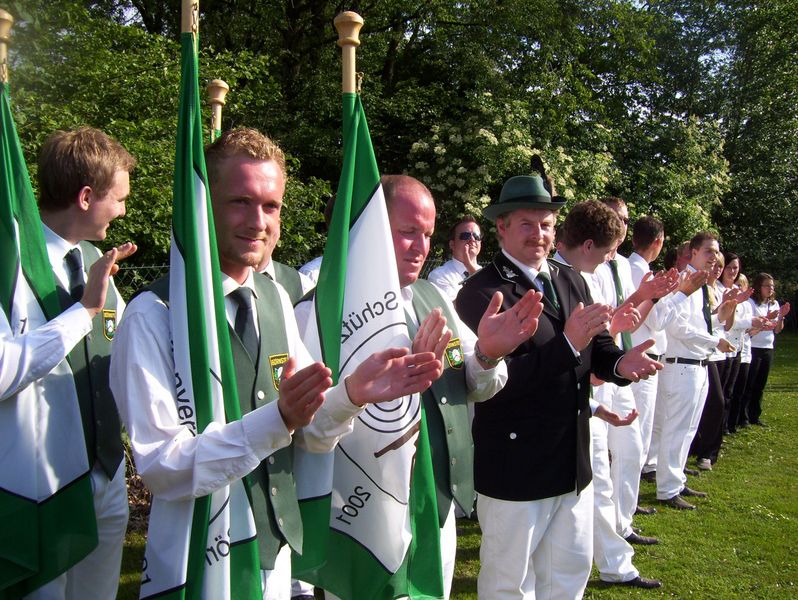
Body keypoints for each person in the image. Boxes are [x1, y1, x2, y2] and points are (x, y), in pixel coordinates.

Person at [109, 129, 443, 600]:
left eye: (271, 206)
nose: (258, 221)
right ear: (205, 204)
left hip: (275, 555)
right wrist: (279, 418)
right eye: (240, 202)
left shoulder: (274, 299)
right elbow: (164, 468)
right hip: (201, 560)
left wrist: (352, 395)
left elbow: (310, 432)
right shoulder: (155, 314)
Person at [296, 174, 543, 599]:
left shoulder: (433, 298)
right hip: (360, 510)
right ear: (369, 230)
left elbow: (477, 384)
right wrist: (360, 392)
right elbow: (305, 427)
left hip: (434, 502)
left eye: (427, 234)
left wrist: (488, 354)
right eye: (408, 231)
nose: (421, 247)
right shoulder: (320, 311)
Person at [455, 174, 663, 599]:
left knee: (568, 575)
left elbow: (597, 345)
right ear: (501, 227)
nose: (539, 234)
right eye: (527, 224)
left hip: (571, 461)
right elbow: (494, 383)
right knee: (509, 585)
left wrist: (620, 363)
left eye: (547, 224)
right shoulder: (481, 292)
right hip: (516, 465)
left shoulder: (570, 279)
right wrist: (567, 344)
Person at [24, 126, 137, 600]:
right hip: (42, 483)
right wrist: (84, 309)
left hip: (106, 473)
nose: (124, 211)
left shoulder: (98, 261)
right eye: (119, 199)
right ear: (87, 197)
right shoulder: (15, 265)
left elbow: (124, 348)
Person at [552, 200, 662, 589]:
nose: (608, 258)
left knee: (601, 480)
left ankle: (614, 559)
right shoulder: (557, 278)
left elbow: (600, 341)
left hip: (589, 396)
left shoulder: (583, 275)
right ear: (586, 245)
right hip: (567, 404)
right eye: (605, 251)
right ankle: (614, 564)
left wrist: (617, 363)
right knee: (593, 484)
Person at [656, 232, 737, 510]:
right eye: (708, 251)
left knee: (689, 429)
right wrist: (715, 341)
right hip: (681, 365)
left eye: (716, 252)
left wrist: (719, 316)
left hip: (698, 364)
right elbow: (678, 328)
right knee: (676, 430)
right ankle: (667, 488)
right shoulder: (684, 282)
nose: (714, 257)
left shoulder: (702, 285)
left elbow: (699, 323)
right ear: (693, 252)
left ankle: (676, 480)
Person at [739, 273, 790, 427]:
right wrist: (766, 319)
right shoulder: (751, 303)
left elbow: (778, 330)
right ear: (759, 287)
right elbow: (749, 330)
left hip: (767, 348)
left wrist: (780, 317)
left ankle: (755, 415)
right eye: (767, 285)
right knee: (749, 383)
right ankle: (743, 417)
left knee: (760, 384)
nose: (770, 289)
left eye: (772, 286)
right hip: (753, 347)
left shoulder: (774, 304)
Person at [427, 216, 483, 300]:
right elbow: (454, 306)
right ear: (452, 244)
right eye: (465, 235)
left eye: (476, 236)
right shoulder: (438, 276)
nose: (472, 239)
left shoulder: (488, 274)